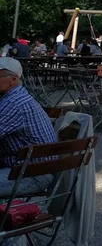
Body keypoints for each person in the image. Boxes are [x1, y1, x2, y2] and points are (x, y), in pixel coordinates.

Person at [0, 58, 57, 196]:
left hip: (31, 174)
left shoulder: (14, 103)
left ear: (13, 79)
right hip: (27, 167)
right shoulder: (12, 96)